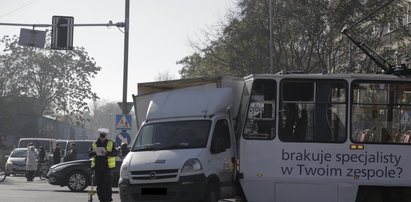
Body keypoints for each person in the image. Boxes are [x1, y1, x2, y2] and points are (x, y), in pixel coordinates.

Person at [89, 128, 118, 202]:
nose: (102, 138)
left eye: (104, 136)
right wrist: (95, 152)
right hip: (98, 168)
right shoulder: (95, 143)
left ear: (106, 136)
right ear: (100, 136)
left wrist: (107, 153)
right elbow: (89, 154)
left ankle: (108, 200)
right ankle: (101, 200)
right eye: (102, 136)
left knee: (107, 185)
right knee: (99, 186)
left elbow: (115, 153)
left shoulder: (111, 143)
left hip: (107, 168)